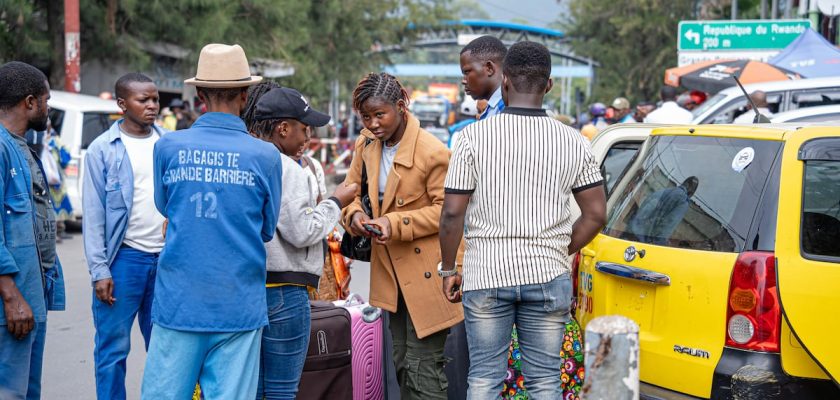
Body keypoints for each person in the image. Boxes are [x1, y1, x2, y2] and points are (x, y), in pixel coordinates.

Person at [438, 41, 607, 399]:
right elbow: (595, 214)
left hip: (486, 275)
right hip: (548, 274)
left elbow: (452, 212)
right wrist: (560, 249)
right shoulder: (574, 141)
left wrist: (448, 268)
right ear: (548, 86)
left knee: (484, 378)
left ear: (504, 83)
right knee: (545, 380)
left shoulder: (472, 138)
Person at [140, 44, 283, 400]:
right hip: (239, 304)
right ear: (246, 95)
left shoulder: (168, 146)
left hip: (179, 303)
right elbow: (266, 229)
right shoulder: (266, 155)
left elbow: (166, 207)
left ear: (199, 94)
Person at [342, 72, 463, 400]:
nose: (373, 123)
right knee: (400, 363)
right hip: (389, 274)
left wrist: (395, 224)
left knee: (423, 367)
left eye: (379, 114)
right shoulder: (365, 144)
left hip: (427, 272)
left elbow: (446, 212)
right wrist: (354, 215)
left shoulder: (432, 152)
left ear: (401, 106)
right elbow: (351, 192)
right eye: (365, 117)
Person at [242, 86, 357, 398]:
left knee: (255, 386)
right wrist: (336, 201)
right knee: (281, 389)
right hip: (285, 291)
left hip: (250, 287)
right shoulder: (287, 168)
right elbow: (302, 231)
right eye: (304, 129)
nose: (307, 138)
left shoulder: (245, 160)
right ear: (283, 129)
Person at [82, 73, 167, 400]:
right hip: (123, 261)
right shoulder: (103, 150)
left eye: (155, 99)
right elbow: (93, 215)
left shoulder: (169, 143)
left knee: (165, 350)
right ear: (121, 104)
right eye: (142, 100)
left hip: (165, 261)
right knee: (112, 350)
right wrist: (99, 271)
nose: (152, 106)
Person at [0, 61, 65, 400]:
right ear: (29, 102)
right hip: (12, 302)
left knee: (26, 392)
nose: (48, 107)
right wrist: (11, 297)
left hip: (31, 293)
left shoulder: (21, 146)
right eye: (46, 100)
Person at [627, 177, 699, 245]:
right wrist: (659, 243)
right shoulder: (683, 202)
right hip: (644, 243)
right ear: (691, 192)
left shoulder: (665, 191)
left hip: (631, 233)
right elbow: (670, 223)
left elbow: (645, 208)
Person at [460, 35, 507, 120]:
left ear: (489, 68)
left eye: (467, 72)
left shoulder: (504, 110)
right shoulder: (494, 108)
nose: (463, 81)